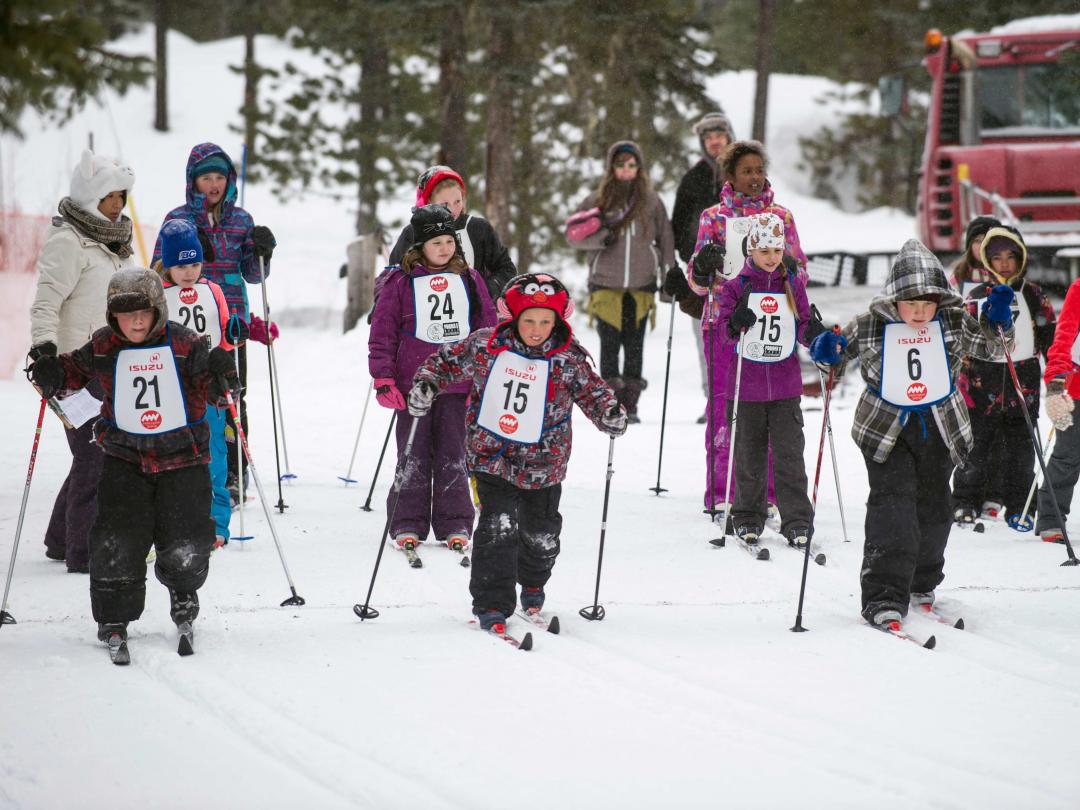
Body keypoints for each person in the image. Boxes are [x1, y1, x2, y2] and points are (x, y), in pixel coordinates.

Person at [28, 268, 238, 659]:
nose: (136, 321)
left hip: (183, 458)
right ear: (113, 316)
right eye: (126, 314)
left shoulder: (185, 343)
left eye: (143, 312)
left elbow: (209, 384)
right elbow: (74, 369)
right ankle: (113, 614)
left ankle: (183, 593)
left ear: (158, 309)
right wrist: (54, 370)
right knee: (117, 539)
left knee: (185, 537)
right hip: (125, 458)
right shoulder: (106, 345)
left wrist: (223, 377)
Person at [810, 238, 1015, 629]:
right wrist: (828, 350)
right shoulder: (872, 323)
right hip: (886, 430)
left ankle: (921, 583)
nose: (920, 313)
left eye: (927, 304)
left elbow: (993, 348)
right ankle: (884, 594)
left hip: (940, 428)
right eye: (911, 304)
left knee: (936, 509)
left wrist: (998, 320)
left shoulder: (951, 322)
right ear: (894, 300)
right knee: (894, 507)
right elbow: (836, 354)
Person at [408, 273, 627, 632]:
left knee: (541, 535)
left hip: (546, 463)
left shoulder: (567, 358)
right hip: (492, 456)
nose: (537, 329)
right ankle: (492, 603)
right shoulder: (486, 346)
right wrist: (427, 384)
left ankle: (533, 583)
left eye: (545, 321)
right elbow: (446, 362)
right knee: (498, 527)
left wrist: (609, 414)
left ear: (558, 320)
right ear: (512, 318)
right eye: (529, 321)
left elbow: (593, 392)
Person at [687, 139, 808, 519]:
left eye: (759, 170)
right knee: (725, 405)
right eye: (746, 171)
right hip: (725, 322)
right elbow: (697, 279)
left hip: (773, 320)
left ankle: (768, 493)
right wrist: (703, 268)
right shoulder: (713, 217)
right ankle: (722, 489)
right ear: (731, 176)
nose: (754, 178)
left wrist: (788, 265)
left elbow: (801, 270)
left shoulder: (781, 217)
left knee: (769, 408)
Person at [29, 149, 135, 573]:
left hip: (108, 366)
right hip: (71, 368)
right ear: (90, 196)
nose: (118, 205)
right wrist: (45, 352)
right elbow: (46, 302)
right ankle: (82, 551)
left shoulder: (117, 246)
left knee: (92, 451)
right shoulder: (69, 242)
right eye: (110, 196)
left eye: (122, 196)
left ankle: (59, 537)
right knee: (95, 454)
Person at [152, 143, 276, 504]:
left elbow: (254, 275)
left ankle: (234, 474)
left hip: (230, 323)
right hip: (183, 325)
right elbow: (157, 271)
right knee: (187, 398)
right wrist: (191, 255)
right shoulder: (177, 219)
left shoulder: (241, 220)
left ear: (230, 180)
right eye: (206, 177)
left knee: (232, 397)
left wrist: (262, 252)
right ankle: (185, 468)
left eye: (220, 176)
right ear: (193, 181)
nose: (213, 184)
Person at [368, 204, 497, 551]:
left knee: (454, 453)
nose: (444, 248)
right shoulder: (401, 282)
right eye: (436, 242)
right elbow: (382, 334)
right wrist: (383, 378)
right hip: (414, 386)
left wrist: (486, 376)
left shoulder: (469, 280)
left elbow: (487, 331)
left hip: (458, 385)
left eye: (449, 241)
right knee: (412, 454)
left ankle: (455, 521)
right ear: (420, 246)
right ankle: (406, 521)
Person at [704, 213, 814, 547]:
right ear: (752, 249)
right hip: (747, 387)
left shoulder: (791, 284)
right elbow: (721, 332)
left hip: (785, 386)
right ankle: (748, 516)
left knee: (789, 456)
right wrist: (735, 322)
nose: (771, 258)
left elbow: (804, 323)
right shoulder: (738, 286)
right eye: (765, 250)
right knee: (749, 456)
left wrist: (821, 339)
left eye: (777, 250)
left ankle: (796, 519)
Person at [951, 226, 1055, 524]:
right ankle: (965, 499)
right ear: (986, 260)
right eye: (997, 257)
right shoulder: (976, 294)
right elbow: (962, 335)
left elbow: (1048, 334)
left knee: (1021, 445)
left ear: (1021, 258)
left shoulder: (1033, 293)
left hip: (1023, 376)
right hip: (982, 376)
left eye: (1011, 256)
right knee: (977, 443)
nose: (1005, 263)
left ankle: (1021, 505)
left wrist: (1056, 373)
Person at [159, 219, 248, 548]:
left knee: (214, 455)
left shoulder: (212, 290)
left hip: (209, 386)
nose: (189, 272)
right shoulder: (159, 294)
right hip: (173, 388)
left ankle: (216, 525)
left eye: (195, 263)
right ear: (168, 264)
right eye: (181, 265)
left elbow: (225, 335)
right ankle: (175, 522)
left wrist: (237, 331)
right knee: (174, 458)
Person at [574, 140, 675, 423]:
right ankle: (610, 402)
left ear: (639, 168)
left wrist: (669, 279)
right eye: (621, 165)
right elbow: (573, 234)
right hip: (605, 284)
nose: (626, 170)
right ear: (612, 167)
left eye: (632, 165)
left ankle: (630, 403)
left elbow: (666, 240)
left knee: (634, 345)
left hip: (641, 285)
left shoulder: (652, 202)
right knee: (609, 345)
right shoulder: (598, 200)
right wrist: (599, 239)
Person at [668, 112, 736, 420]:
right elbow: (678, 222)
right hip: (702, 274)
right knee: (706, 336)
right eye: (708, 138)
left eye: (719, 135)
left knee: (739, 334)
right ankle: (714, 399)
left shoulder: (743, 172)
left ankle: (740, 398)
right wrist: (687, 255)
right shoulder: (693, 178)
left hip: (741, 269)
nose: (714, 142)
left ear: (729, 136)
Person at [386, 165, 516, 303]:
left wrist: (485, 290)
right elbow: (393, 277)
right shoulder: (412, 232)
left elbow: (506, 269)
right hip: (425, 316)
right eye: (445, 204)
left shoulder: (478, 228)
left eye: (457, 201)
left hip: (475, 316)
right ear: (429, 202)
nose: (453, 210)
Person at [1038, 268, 1080, 545]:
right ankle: (1051, 518)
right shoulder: (1079, 290)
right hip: (1076, 391)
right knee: (1067, 455)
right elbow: (1063, 337)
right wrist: (1055, 386)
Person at [949, 216, 1001, 299]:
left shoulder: (1008, 274)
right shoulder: (959, 277)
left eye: (989, 240)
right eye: (978, 241)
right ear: (970, 246)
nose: (983, 246)